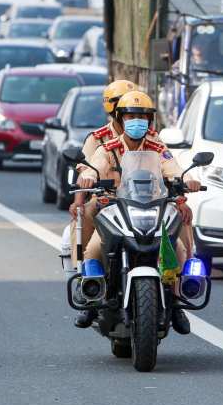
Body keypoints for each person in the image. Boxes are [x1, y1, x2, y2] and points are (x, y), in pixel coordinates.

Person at [74, 91, 201, 334]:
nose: (136, 121)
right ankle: (92, 298)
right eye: (131, 116)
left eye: (142, 117)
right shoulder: (107, 148)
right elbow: (95, 166)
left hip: (152, 206)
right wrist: (89, 177)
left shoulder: (157, 147)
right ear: (120, 119)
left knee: (178, 249)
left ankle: (176, 303)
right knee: (93, 249)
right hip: (113, 207)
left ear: (149, 120)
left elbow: (174, 168)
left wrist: (188, 180)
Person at [69, 80, 142, 263]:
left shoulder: (151, 137)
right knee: (83, 212)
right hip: (106, 199)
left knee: (181, 214)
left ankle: (185, 275)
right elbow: (85, 171)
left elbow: (167, 166)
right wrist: (78, 201)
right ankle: (84, 268)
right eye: (125, 107)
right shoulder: (98, 139)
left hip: (144, 200)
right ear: (114, 110)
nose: (131, 111)